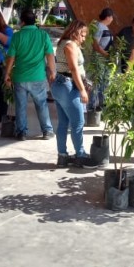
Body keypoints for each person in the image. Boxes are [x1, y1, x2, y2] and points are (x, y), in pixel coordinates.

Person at [52, 20, 99, 168]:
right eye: (83, 35)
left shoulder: (63, 43)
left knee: (63, 123)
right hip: (68, 85)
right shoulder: (70, 45)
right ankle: (80, 155)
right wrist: (83, 90)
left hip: (60, 84)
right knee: (78, 122)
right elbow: (73, 69)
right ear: (76, 32)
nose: (84, 39)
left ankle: (63, 156)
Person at [4, 9, 55, 140]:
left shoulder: (17, 36)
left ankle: (21, 132)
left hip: (20, 77)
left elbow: (11, 58)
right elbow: (50, 55)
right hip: (38, 76)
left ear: (22, 22)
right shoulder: (43, 35)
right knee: (41, 104)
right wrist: (52, 71)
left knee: (20, 105)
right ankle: (47, 131)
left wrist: (7, 74)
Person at [91, 7, 114, 109]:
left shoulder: (104, 27)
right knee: (98, 82)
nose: (112, 19)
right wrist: (107, 55)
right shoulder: (100, 27)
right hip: (101, 58)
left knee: (104, 82)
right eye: (112, 17)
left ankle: (101, 104)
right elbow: (96, 45)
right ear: (108, 17)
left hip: (104, 59)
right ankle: (94, 105)